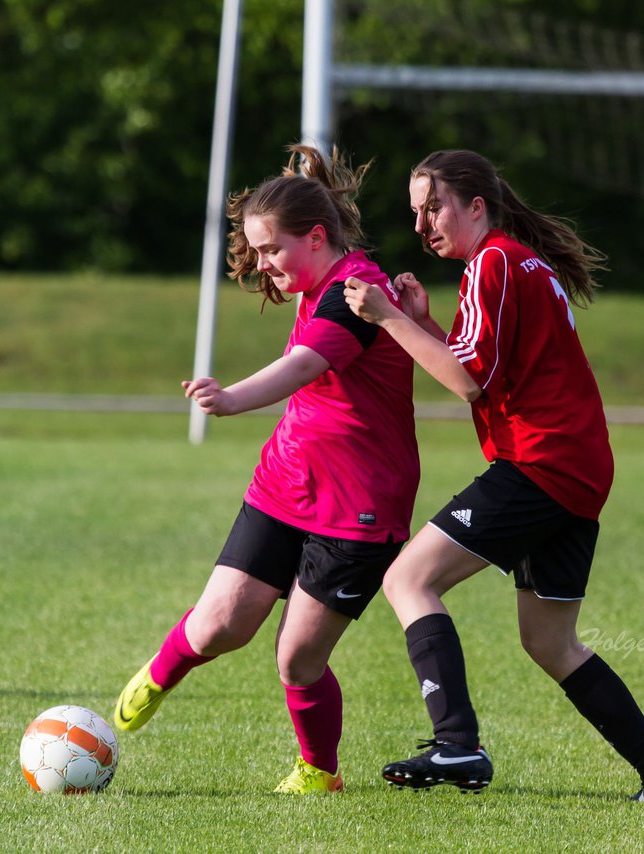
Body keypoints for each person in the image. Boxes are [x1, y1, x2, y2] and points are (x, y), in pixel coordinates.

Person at [344, 149, 644, 801]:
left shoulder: (496, 262)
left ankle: (457, 746)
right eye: (415, 213)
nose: (423, 226)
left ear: (476, 206)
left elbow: (470, 382)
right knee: (550, 642)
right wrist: (422, 321)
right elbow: (487, 367)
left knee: (407, 576)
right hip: (576, 468)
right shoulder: (513, 261)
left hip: (544, 463)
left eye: (434, 207)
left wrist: (390, 318)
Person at [113, 144, 420, 795]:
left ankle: (318, 773)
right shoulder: (313, 284)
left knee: (297, 658)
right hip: (285, 482)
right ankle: (161, 671)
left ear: (315, 238)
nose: (261, 265)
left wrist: (230, 399)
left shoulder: (358, 296)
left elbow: (301, 368)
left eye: (270, 250)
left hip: (358, 507)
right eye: (255, 251)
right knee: (222, 622)